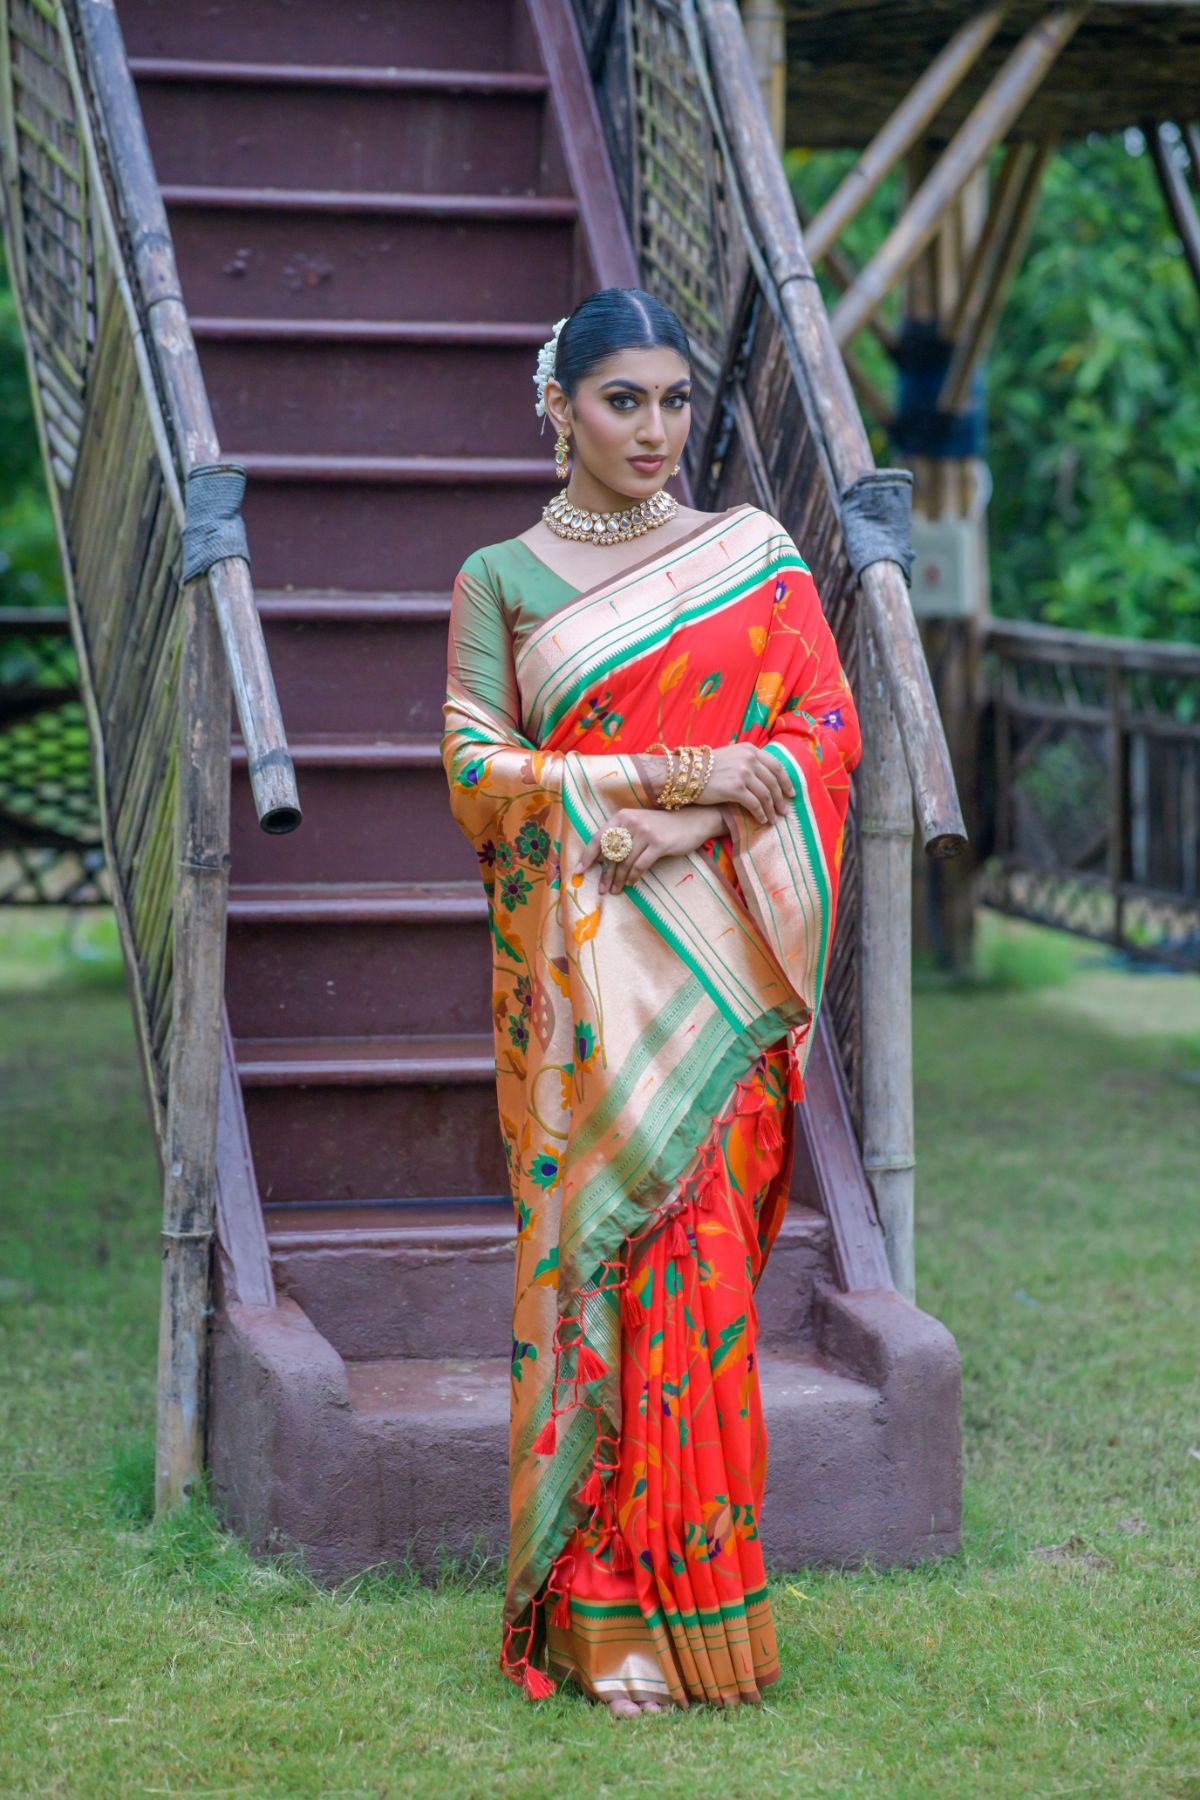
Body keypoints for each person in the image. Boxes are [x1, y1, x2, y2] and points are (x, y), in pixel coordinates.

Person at [440, 286, 860, 1715]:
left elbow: (822, 731)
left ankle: (703, 1592)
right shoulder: (500, 578)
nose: (657, 431)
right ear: (558, 403)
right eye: (626, 400)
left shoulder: (751, 558)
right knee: (601, 1279)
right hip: (584, 977)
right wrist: (663, 782)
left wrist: (691, 830)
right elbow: (478, 778)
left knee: (699, 1280)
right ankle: (600, 1603)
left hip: (720, 968)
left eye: (677, 402)